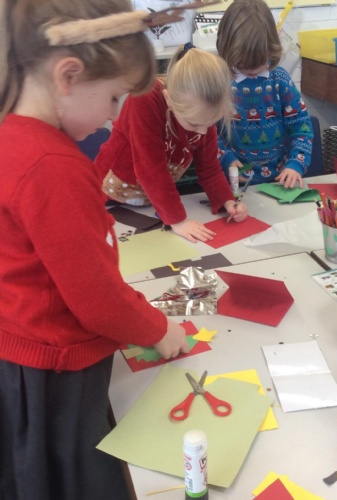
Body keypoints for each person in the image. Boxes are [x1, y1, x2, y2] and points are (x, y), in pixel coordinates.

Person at [0, 1, 195, 498]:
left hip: (26, 359)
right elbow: (98, 299)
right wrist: (160, 329)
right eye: (112, 98)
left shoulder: (13, 138)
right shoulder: (53, 166)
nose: (113, 118)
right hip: (56, 376)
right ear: (68, 75)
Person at [95, 44, 248, 243]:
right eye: (195, 124)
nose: (202, 132)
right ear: (168, 99)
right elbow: (151, 168)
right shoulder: (144, 98)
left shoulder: (201, 114)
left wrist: (227, 201)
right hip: (108, 196)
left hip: (152, 201)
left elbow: (209, 167)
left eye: (210, 124)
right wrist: (178, 220)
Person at [216, 0, 314, 189]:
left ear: (271, 49)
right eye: (243, 64)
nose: (252, 70)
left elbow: (301, 127)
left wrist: (295, 164)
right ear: (227, 48)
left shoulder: (280, 80)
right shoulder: (220, 82)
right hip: (233, 184)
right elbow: (208, 132)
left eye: (260, 62)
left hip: (279, 183)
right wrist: (226, 158)